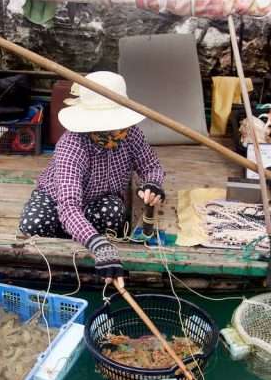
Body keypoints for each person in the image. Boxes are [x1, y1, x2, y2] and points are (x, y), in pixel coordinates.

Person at [18, 71, 165, 284]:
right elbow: (68, 206)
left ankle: (81, 234)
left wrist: (152, 185)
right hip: (57, 201)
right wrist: (100, 246)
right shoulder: (71, 146)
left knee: (114, 211)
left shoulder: (130, 134)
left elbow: (151, 166)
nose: (118, 128)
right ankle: (75, 240)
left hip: (99, 201)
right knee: (34, 222)